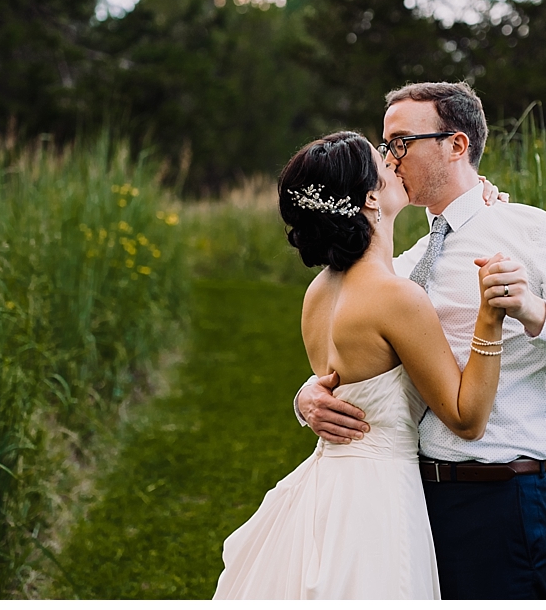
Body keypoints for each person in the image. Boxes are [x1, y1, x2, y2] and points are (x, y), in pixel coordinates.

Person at [294, 81, 546, 599]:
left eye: (401, 142)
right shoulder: (399, 266)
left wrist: (535, 313)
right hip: (401, 495)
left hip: (495, 501)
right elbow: (369, 355)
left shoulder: (539, 233)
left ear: (456, 145)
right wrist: (309, 396)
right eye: (386, 145)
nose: (389, 157)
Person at [212, 130, 511, 600]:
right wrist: (489, 318)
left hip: (326, 488)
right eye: (384, 160)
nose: (396, 162)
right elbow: (467, 418)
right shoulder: (394, 298)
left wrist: (476, 195)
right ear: (372, 196)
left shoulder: (319, 294)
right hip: (377, 499)